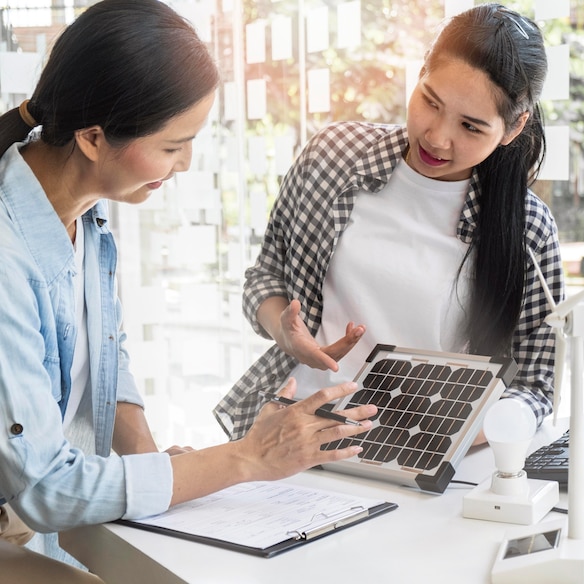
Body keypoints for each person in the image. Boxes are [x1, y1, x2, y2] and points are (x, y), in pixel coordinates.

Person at [0, 0, 376, 572]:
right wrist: (248, 458)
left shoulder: (86, 217)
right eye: (173, 146)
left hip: (49, 532)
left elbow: (106, 358)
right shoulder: (8, 253)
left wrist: (153, 464)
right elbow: (49, 487)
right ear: (94, 138)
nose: (186, 165)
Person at [215, 3, 564, 444]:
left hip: (424, 451)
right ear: (418, 76)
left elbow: (535, 384)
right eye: (430, 102)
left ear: (514, 129)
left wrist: (453, 439)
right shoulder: (333, 156)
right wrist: (285, 332)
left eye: (471, 127)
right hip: (297, 432)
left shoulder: (527, 227)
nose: (437, 137)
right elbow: (264, 277)